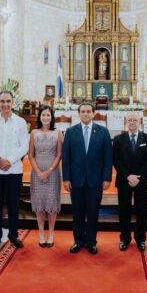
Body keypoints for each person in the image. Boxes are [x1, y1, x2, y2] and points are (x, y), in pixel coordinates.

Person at [62, 102, 112, 254]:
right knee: (77, 212)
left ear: (93, 113)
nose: (85, 114)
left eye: (88, 111)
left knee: (92, 212)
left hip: (95, 180)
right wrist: (66, 178)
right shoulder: (70, 132)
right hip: (76, 180)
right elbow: (66, 157)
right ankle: (78, 241)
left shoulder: (103, 132)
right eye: (82, 111)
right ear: (78, 113)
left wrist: (107, 178)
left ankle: (91, 242)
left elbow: (107, 157)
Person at [0, 91, 29, 250]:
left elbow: (24, 146)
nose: (5, 104)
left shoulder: (21, 122)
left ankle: (13, 235)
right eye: (2, 101)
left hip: (13, 170)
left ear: (13, 103)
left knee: (13, 204)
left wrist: (10, 160)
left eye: (8, 101)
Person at [113, 112, 147, 251]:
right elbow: (116, 160)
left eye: (135, 120)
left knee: (141, 211)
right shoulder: (118, 139)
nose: (132, 122)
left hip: (141, 181)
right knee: (124, 211)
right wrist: (127, 176)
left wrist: (138, 176)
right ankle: (124, 238)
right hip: (124, 181)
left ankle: (140, 238)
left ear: (140, 122)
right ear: (126, 122)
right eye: (129, 120)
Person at [28, 106, 63, 248]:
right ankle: (41, 233)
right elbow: (30, 154)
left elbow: (59, 154)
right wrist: (38, 172)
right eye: (43, 115)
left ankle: (51, 233)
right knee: (40, 203)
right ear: (39, 117)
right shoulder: (34, 132)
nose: (46, 118)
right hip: (37, 172)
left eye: (48, 115)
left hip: (52, 172)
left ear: (52, 117)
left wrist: (48, 171)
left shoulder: (58, 133)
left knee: (52, 203)